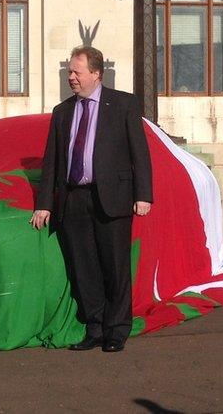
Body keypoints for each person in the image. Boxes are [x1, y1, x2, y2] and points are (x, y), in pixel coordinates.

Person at [30, 46, 153, 353]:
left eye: (76, 72)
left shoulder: (123, 104)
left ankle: (116, 329)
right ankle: (95, 327)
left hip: (112, 198)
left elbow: (140, 152)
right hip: (74, 199)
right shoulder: (63, 112)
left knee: (115, 267)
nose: (71, 77)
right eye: (69, 72)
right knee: (85, 269)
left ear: (96, 74)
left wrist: (143, 195)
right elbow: (52, 162)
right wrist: (44, 203)